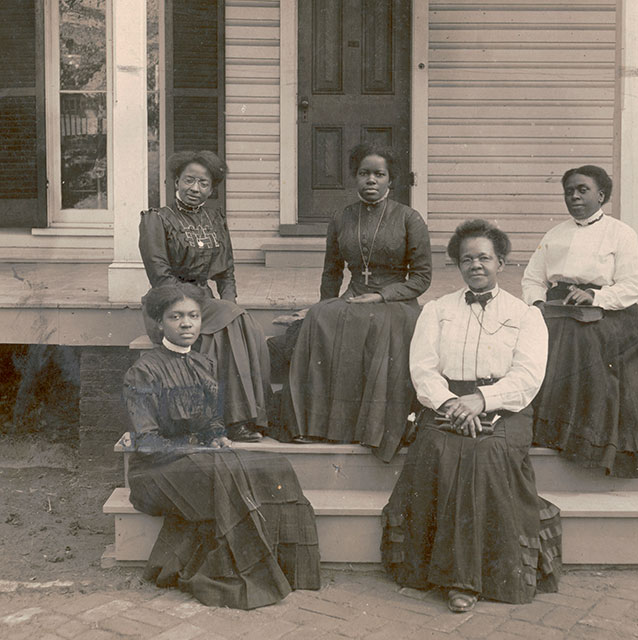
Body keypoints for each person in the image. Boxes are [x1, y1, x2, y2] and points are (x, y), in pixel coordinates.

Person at [382, 220, 561, 611]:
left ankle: (467, 580)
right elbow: (423, 370)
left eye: (484, 257)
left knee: (483, 455)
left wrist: (481, 401)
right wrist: (450, 404)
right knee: (438, 448)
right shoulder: (436, 310)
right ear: (457, 266)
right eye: (467, 259)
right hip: (446, 403)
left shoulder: (526, 315)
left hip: (505, 407)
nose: (475, 265)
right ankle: (430, 570)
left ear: (502, 262)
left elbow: (528, 377)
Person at [123, 283, 321, 609]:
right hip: (156, 470)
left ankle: (289, 570)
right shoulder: (144, 370)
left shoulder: (205, 364)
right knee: (225, 475)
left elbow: (211, 421)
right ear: (160, 323)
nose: (186, 323)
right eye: (176, 317)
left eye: (193, 316)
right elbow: (147, 441)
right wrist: (199, 448)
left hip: (199, 460)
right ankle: (247, 576)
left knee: (275, 467)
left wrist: (217, 436)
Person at [276, 143, 432, 461]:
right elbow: (331, 271)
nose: (370, 180)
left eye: (379, 174)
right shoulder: (342, 217)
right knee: (320, 318)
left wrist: (383, 294)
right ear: (354, 178)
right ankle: (316, 425)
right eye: (364, 173)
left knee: (380, 325)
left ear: (392, 180)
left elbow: (421, 279)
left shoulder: (409, 218)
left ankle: (372, 429)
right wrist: (322, 305)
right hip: (353, 296)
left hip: (396, 302)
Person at [521, 165, 638, 477]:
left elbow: (633, 285)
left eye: (583, 190)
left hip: (608, 311)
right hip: (558, 308)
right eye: (569, 191)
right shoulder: (554, 235)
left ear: (601, 195)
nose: (575, 196)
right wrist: (537, 303)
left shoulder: (620, 233)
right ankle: (548, 431)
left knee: (582, 339)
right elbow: (532, 278)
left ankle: (587, 438)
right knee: (537, 337)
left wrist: (596, 297)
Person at [139, 150, 270, 442]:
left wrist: (229, 304)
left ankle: (237, 417)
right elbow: (159, 276)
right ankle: (231, 420)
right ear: (176, 181)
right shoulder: (157, 219)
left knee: (240, 322)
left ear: (212, 189)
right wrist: (204, 307)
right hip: (167, 303)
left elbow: (226, 273)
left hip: (206, 301)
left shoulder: (214, 219)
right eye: (189, 181)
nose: (195, 189)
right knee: (226, 325)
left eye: (204, 183)